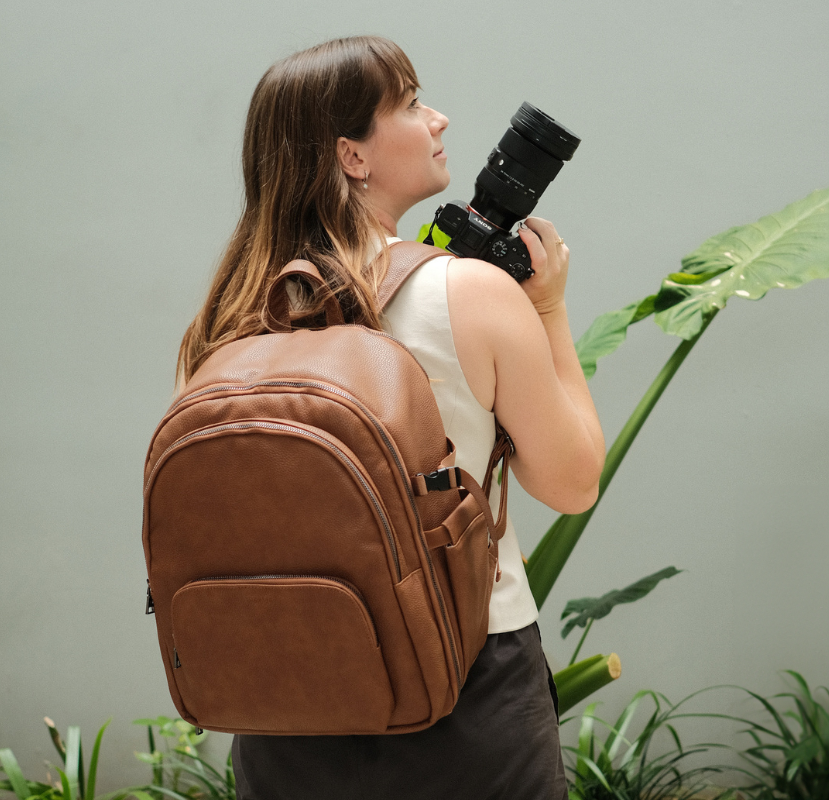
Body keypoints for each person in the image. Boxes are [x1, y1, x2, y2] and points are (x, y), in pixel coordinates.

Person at [175, 35, 605, 799]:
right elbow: (572, 483)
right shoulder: (470, 294)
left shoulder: (227, 320)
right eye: (409, 104)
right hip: (466, 687)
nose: (437, 119)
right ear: (352, 157)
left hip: (284, 701)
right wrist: (550, 309)